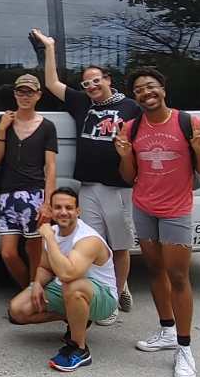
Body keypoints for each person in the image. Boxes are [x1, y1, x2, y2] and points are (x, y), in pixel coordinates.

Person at [30, 28, 140, 325]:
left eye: (96, 80)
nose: (91, 86)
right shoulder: (82, 103)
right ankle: (107, 286)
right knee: (91, 243)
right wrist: (49, 48)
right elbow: (52, 83)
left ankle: (115, 295)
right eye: (86, 82)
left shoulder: (130, 107)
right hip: (89, 186)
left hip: (118, 187)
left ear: (108, 80)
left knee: (119, 245)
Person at [114, 68, 200, 377]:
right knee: (155, 271)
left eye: (151, 86)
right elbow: (128, 177)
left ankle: (184, 348)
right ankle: (167, 330)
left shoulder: (188, 123)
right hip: (144, 208)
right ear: (134, 97)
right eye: (139, 89)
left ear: (163, 89)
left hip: (176, 210)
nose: (146, 92)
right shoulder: (131, 128)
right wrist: (125, 154)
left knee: (179, 277)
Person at [7, 187, 118, 372]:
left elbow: (68, 274)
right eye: (58, 207)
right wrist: (36, 284)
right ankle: (78, 318)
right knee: (17, 310)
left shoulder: (87, 239)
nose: (63, 212)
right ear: (50, 210)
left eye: (69, 207)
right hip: (67, 289)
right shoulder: (53, 231)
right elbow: (45, 267)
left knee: (73, 285)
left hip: (102, 297)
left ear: (78, 211)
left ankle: (79, 348)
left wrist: (50, 239)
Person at [0, 73, 57, 289]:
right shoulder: (4, 120)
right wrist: (1, 130)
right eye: (20, 91)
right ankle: (27, 289)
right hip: (8, 194)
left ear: (38, 95)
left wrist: (48, 203)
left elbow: (51, 167)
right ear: (15, 94)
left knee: (34, 250)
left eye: (30, 92)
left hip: (34, 194)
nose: (25, 96)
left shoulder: (47, 126)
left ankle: (34, 291)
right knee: (7, 253)